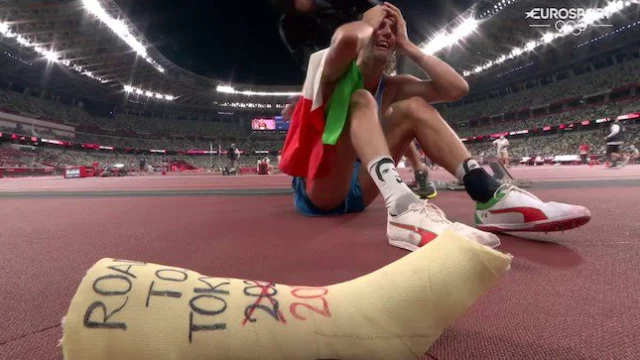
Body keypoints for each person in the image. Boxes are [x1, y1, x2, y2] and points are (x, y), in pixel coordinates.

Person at [279, 3, 591, 251]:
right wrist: (371, 18)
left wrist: (409, 45)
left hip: (362, 188)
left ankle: (489, 197)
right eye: (379, 26)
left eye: (392, 28)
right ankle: (403, 209)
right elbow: (347, 39)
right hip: (322, 188)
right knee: (360, 97)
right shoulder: (332, 71)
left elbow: (456, 88)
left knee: (413, 107)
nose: (385, 31)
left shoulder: (394, 85)